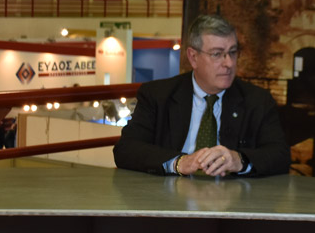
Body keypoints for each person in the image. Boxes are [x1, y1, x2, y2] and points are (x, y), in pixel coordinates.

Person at [113, 14, 290, 177]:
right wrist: (178, 163)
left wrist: (239, 160)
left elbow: (280, 156)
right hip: (170, 194)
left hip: (233, 196)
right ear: (193, 57)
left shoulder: (257, 100)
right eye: (217, 54)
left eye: (232, 52)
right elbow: (126, 149)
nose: (229, 63)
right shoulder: (158, 95)